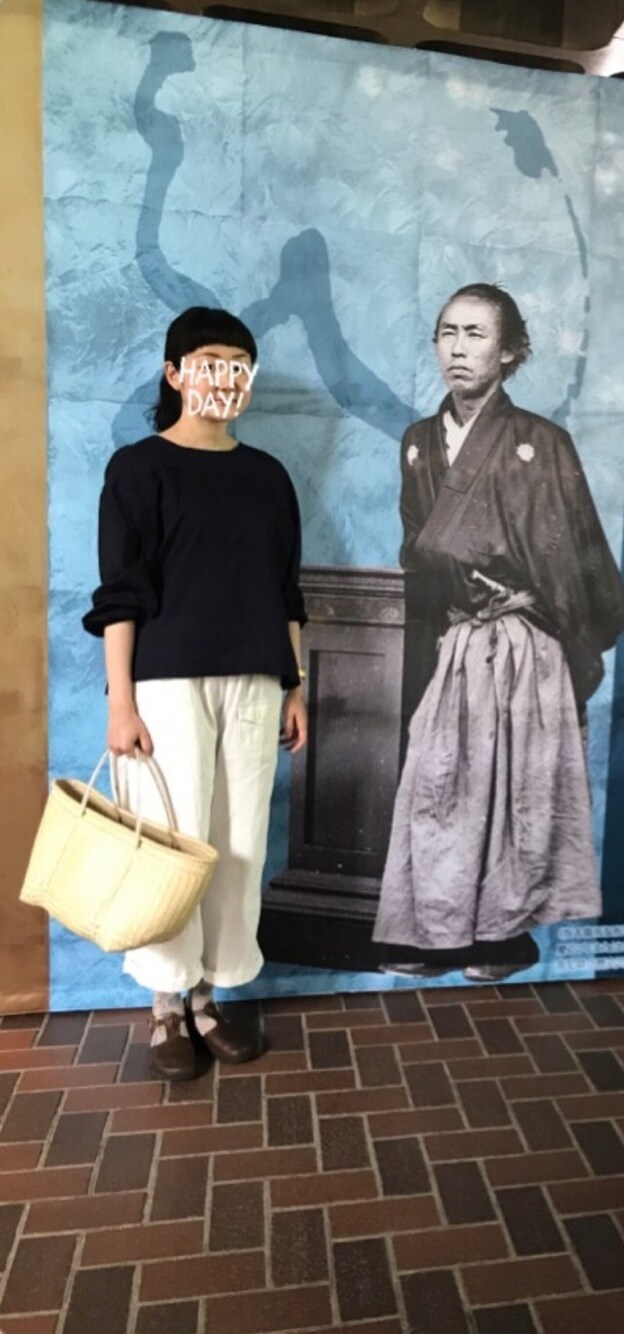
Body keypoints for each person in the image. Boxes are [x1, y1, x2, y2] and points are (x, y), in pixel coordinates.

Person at [374, 283, 624, 983]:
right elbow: (416, 548)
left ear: (510, 351)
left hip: (526, 641)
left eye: (477, 335)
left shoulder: (542, 443)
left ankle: (501, 938)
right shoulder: (419, 444)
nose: (458, 349)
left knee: (517, 791)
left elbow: (575, 559)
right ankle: (435, 930)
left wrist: (560, 638)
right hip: (457, 639)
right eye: (447, 333)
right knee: (441, 784)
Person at [83, 306, 308, 1080]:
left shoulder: (268, 477)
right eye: (211, 361)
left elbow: (286, 591)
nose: (225, 376)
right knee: (170, 844)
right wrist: (120, 703)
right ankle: (164, 1008)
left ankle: (210, 999)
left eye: (239, 365)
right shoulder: (138, 468)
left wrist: (294, 684)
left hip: (254, 681)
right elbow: (120, 592)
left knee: (238, 844)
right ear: (175, 373)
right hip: (165, 684)